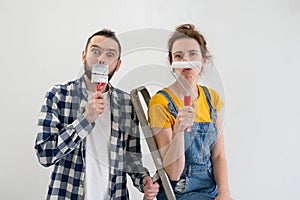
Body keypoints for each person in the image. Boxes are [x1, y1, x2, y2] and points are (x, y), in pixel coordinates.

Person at [34, 29, 159, 200]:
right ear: (84, 55)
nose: (101, 59)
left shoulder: (126, 103)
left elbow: (131, 158)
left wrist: (142, 180)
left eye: (110, 55)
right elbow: (44, 155)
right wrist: (86, 120)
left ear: (118, 64)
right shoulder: (58, 95)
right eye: (96, 51)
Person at [148, 24, 232, 200]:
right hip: (178, 191)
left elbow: (218, 156)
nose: (186, 61)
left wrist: (224, 193)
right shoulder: (160, 103)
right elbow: (173, 173)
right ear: (172, 63)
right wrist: (179, 131)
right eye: (179, 56)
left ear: (203, 60)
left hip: (209, 189)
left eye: (192, 54)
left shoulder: (212, 98)